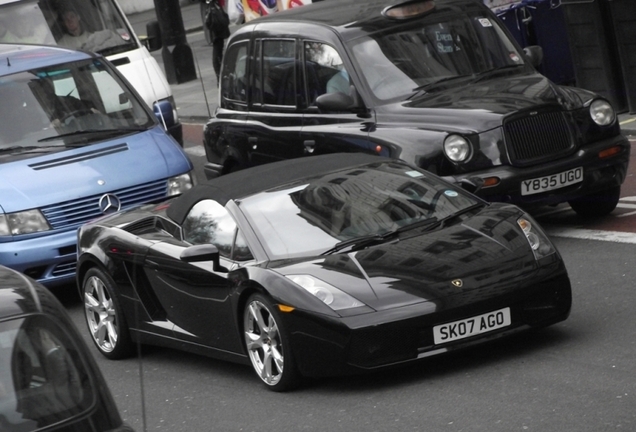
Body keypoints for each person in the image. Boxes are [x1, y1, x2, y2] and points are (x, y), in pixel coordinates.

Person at [205, 0, 231, 82]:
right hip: (215, 11)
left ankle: (220, 75)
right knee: (218, 48)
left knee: (218, 49)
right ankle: (220, 75)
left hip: (215, 11)